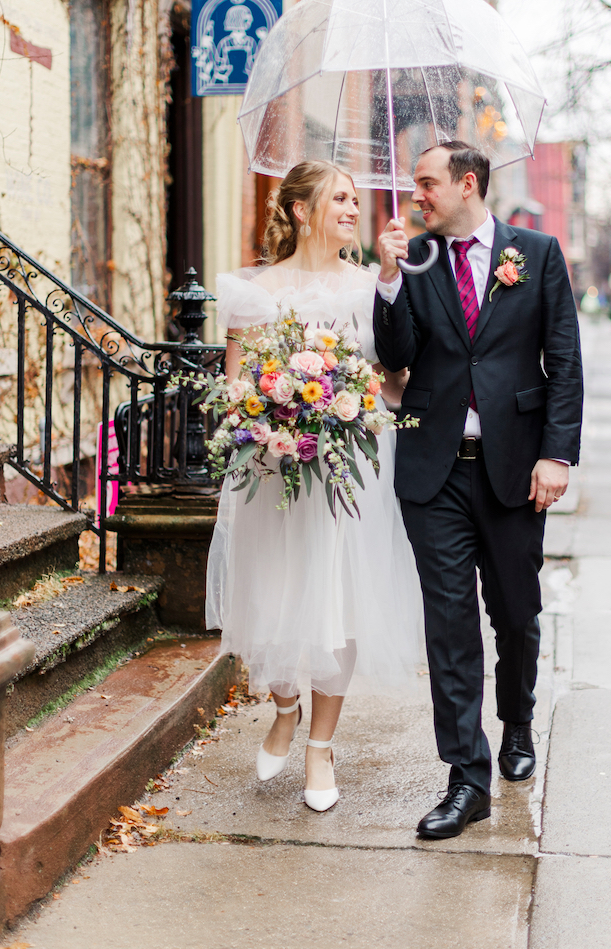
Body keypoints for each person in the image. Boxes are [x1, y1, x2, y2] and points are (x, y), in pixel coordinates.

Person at [374, 140, 583, 840]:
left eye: (427, 183)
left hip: (516, 468)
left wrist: (556, 455)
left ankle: (518, 721)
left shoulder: (538, 252)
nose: (417, 194)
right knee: (450, 625)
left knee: (516, 614)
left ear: (468, 184)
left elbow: (565, 359)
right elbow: (397, 355)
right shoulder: (418, 256)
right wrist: (389, 278)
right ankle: (467, 777)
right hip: (433, 470)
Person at [206, 160, 422, 813]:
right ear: (301, 211)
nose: (354, 209)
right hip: (274, 468)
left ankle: (320, 748)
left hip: (348, 468)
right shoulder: (251, 292)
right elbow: (234, 387)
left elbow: (393, 381)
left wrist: (357, 397)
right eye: (341, 199)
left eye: (357, 200)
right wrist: (265, 413)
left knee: (340, 601)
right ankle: (284, 707)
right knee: (272, 595)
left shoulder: (370, 290)